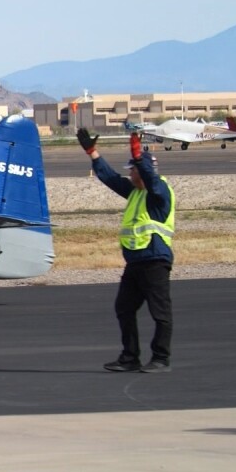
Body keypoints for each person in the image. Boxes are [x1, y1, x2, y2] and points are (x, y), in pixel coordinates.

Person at [78, 128, 176, 373]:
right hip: (135, 263)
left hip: (155, 262)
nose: (130, 174)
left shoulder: (159, 193)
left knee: (160, 313)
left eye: (132, 169)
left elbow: (151, 179)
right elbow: (110, 178)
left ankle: (161, 359)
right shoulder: (135, 193)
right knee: (124, 308)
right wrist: (93, 153)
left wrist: (137, 154)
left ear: (143, 170)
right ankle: (130, 357)